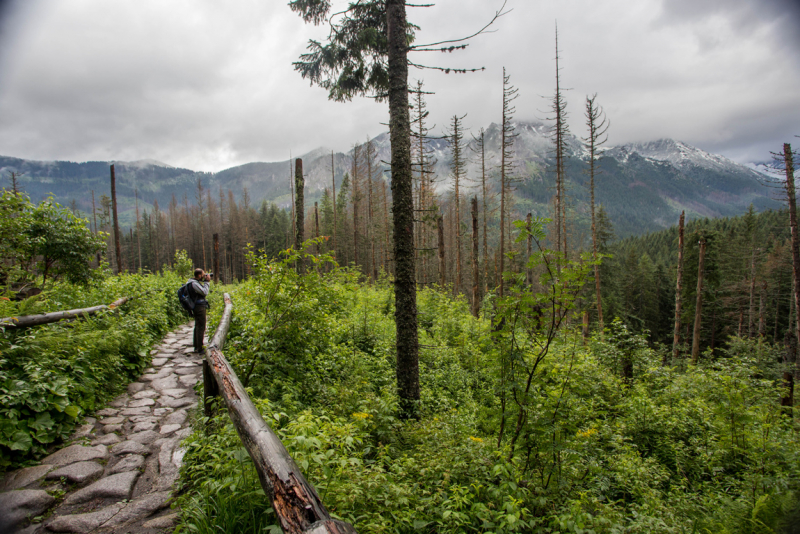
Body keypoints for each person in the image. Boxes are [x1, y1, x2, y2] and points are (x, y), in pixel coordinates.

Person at [188, 268, 211, 354]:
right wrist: (207, 282)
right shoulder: (194, 283)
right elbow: (204, 292)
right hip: (199, 307)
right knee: (201, 326)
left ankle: (196, 346)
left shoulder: (191, 282)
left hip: (196, 306)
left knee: (197, 325)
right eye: (203, 274)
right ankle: (200, 348)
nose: (204, 276)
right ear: (199, 275)